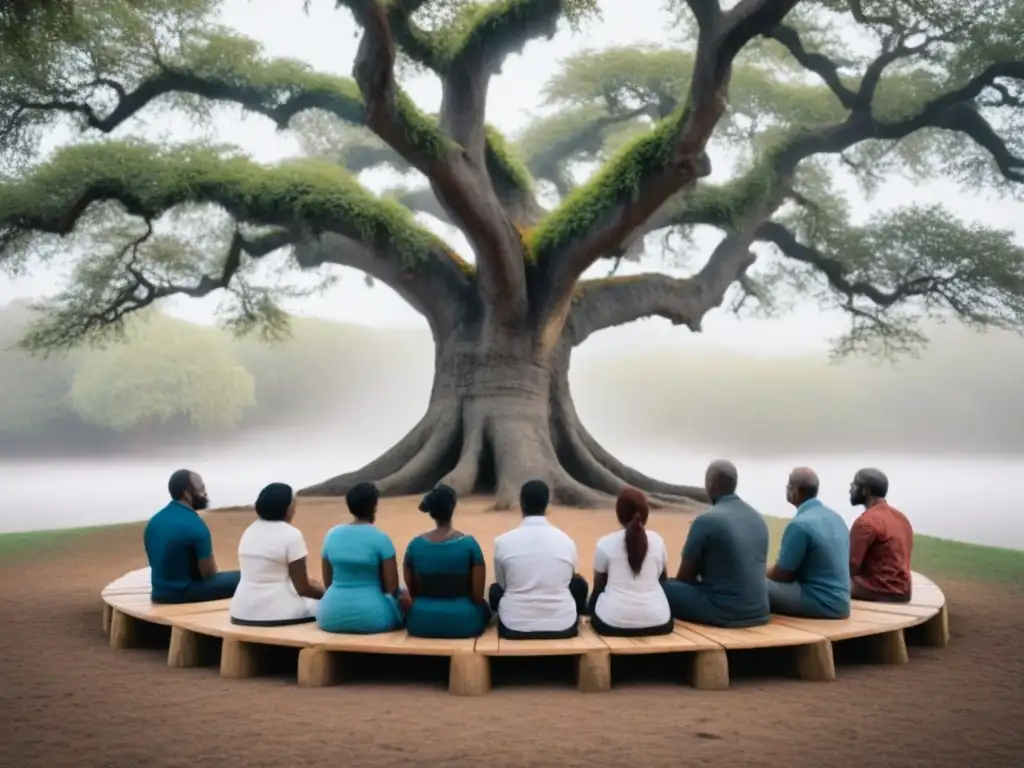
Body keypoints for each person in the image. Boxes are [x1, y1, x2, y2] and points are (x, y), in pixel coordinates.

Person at [661, 460, 770, 628]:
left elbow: (685, 577)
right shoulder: (758, 519)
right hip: (759, 611)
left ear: (711, 484)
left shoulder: (706, 521)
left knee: (661, 588)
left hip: (726, 612)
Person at [489, 480, 589, 639]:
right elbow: (569, 579)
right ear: (547, 504)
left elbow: (503, 584)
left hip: (514, 625)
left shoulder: (503, 542)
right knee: (578, 584)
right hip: (562, 624)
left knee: (495, 590)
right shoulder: (566, 541)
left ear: (521, 503)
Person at [317, 481, 408, 634]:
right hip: (373, 617)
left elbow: (328, 583)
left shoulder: (331, 536)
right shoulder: (380, 538)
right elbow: (391, 588)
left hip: (330, 616)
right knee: (403, 596)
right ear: (374, 506)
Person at [403, 484, 491, 638]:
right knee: (486, 608)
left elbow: (413, 592)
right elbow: (477, 596)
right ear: (453, 507)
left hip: (421, 621)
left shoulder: (415, 545)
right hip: (464, 622)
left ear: (431, 512)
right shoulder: (469, 545)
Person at [229, 482, 324, 626]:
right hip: (276, 613)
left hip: (241, 611)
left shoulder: (249, 531)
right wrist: (327, 595)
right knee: (326, 609)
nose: (295, 508)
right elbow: (303, 587)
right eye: (293, 503)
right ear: (285, 507)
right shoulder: (291, 535)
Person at [144, 469, 240, 604]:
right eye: (201, 489)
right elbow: (208, 573)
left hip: (159, 592)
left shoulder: (154, 521)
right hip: (183, 594)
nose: (205, 494)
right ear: (187, 494)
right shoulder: (195, 525)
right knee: (246, 579)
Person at [766, 467, 851, 619]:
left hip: (821, 602)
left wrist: (759, 572)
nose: (786, 489)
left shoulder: (799, 525)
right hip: (842, 602)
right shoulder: (836, 518)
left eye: (788, 485)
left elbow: (782, 575)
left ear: (796, 491)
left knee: (754, 585)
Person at [589, 487, 674, 637]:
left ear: (618, 514)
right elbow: (663, 581)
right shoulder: (658, 541)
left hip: (611, 623)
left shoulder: (605, 544)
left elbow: (598, 588)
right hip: (659, 622)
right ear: (646, 514)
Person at [849, 468, 914, 602]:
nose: (850, 489)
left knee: (826, 584)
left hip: (877, 589)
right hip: (904, 592)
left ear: (865, 490)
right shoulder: (901, 518)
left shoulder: (866, 522)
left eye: (854, 484)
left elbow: (850, 566)